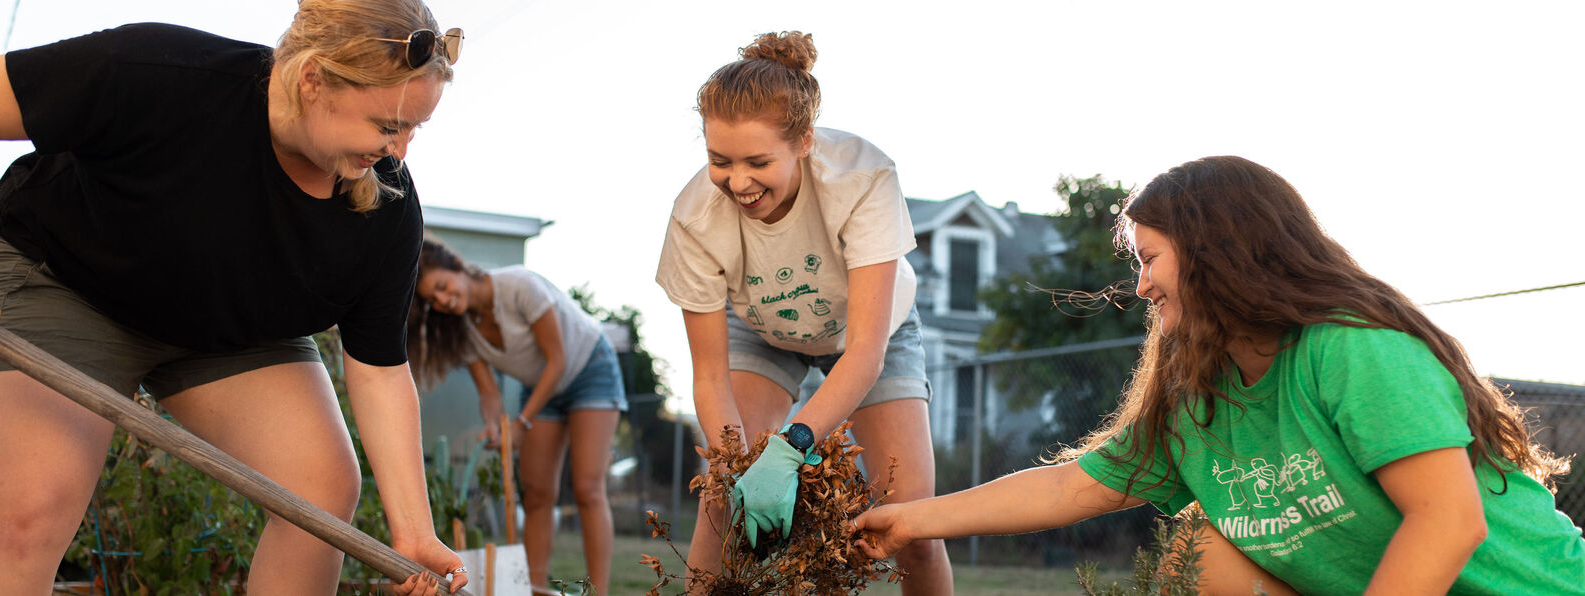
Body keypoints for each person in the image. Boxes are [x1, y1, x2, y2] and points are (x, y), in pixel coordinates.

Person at [851, 156, 1585, 595]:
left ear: (1217, 253)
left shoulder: (1351, 349)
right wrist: (911, 519)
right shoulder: (1199, 394)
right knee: (1201, 546)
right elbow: (1069, 486)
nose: (1140, 286)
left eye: (1149, 259)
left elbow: (1449, 521)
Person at [0, 1, 470, 593]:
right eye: (387, 126)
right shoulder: (158, 72)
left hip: (227, 327)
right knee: (28, 512)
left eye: (415, 128)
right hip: (64, 280)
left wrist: (414, 530)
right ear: (312, 78)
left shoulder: (386, 207)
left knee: (318, 495)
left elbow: (378, 369)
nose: (399, 153)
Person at [655, 31, 953, 595]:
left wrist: (790, 449)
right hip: (762, 330)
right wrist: (740, 465)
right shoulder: (694, 219)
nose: (737, 182)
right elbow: (710, 376)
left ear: (805, 142)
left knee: (915, 522)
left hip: (869, 333)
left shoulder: (863, 178)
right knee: (722, 499)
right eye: (720, 161)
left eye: (757, 161)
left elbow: (865, 351)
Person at [409, 235, 628, 594]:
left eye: (443, 287)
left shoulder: (519, 285)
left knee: (588, 487)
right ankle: (534, 589)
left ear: (458, 267)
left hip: (589, 370)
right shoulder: (462, 330)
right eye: (434, 300)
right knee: (537, 492)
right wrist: (497, 428)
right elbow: (490, 394)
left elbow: (557, 360)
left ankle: (598, 591)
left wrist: (523, 422)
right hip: (540, 386)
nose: (445, 301)